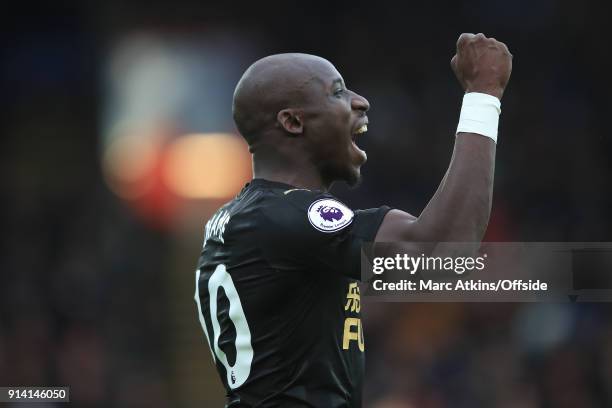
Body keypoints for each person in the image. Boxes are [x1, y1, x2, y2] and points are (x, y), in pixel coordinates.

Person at [194, 33, 512, 407]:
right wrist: (483, 96)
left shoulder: (244, 218)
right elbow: (442, 251)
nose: (360, 101)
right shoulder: (288, 216)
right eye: (337, 93)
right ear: (293, 121)